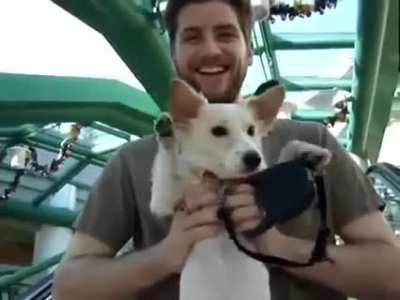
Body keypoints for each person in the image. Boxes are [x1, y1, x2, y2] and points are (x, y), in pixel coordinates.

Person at [52, 0, 400, 299]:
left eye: (226, 34)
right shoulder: (132, 161)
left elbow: (392, 276)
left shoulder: (314, 141)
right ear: (173, 53)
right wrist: (167, 255)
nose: (210, 49)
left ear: (249, 50)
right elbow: (68, 288)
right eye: (191, 37)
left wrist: (280, 247)